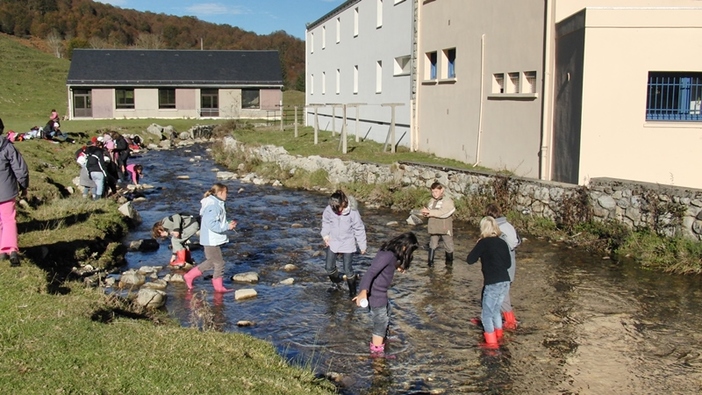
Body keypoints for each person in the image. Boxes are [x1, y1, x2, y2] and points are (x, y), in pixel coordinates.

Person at [353, 232, 418, 356]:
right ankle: (376, 351)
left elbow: (387, 265)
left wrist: (398, 266)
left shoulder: (391, 253)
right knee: (381, 321)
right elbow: (371, 272)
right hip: (376, 295)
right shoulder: (388, 255)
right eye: (410, 251)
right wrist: (363, 292)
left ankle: (383, 341)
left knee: (387, 313)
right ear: (405, 247)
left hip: (381, 293)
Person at [466, 216, 512, 349]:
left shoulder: (483, 243)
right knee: (496, 310)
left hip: (492, 282)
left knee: (486, 315)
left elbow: (470, 260)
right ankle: (499, 336)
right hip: (505, 281)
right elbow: (508, 264)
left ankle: (491, 344)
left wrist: (478, 246)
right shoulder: (503, 242)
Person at [183, 183, 237, 293]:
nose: (227, 195)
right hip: (210, 239)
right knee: (219, 263)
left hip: (210, 238)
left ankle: (189, 276)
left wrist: (227, 222)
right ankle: (218, 287)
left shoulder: (216, 203)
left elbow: (216, 221)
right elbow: (211, 223)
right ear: (220, 192)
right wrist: (227, 226)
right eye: (226, 192)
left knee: (212, 262)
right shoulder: (214, 205)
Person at [320, 189, 367, 298]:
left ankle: (352, 293)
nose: (335, 211)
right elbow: (326, 221)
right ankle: (336, 283)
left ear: (343, 203)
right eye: (333, 209)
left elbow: (359, 228)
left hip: (348, 243)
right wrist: (325, 235)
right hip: (333, 241)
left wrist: (362, 245)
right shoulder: (329, 209)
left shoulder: (353, 212)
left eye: (337, 208)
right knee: (329, 267)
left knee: (348, 269)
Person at [486, 203, 521, 330]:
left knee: (502, 296)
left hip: (501, 269)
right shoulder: (509, 225)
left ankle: (510, 321)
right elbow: (516, 242)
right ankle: (501, 318)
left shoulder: (497, 229)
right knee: (499, 294)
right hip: (511, 266)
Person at [0, 117, 29, 267]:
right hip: (6, 191)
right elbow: (20, 169)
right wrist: (24, 186)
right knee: (8, 219)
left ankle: (1, 251)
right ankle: (11, 249)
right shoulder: (7, 147)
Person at [420, 181, 455, 267]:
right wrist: (425, 213)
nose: (434, 194)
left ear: (441, 190)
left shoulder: (448, 201)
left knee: (449, 246)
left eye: (436, 191)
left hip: (445, 228)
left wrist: (429, 212)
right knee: (432, 245)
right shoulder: (431, 201)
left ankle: (449, 266)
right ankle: (430, 265)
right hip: (434, 228)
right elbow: (430, 212)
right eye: (433, 192)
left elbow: (443, 213)